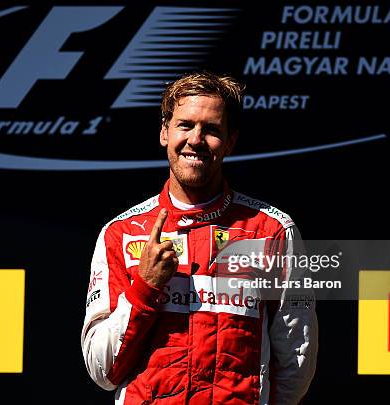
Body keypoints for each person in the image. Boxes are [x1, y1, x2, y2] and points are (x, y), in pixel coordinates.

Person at [81, 72, 318, 404]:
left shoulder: (273, 230)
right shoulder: (121, 233)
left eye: (211, 129)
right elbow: (101, 369)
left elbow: (296, 358)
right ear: (164, 132)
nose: (195, 139)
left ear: (231, 141)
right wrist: (145, 287)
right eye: (185, 125)